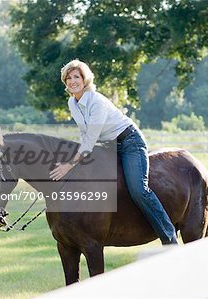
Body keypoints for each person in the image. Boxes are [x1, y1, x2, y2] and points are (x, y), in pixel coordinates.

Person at [49, 59, 178, 245]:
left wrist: (68, 165)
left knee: (138, 190)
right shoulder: (72, 103)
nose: (72, 81)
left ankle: (169, 237)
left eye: (76, 77)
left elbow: (90, 140)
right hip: (108, 146)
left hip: (130, 142)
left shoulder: (96, 102)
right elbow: (84, 135)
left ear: (85, 79)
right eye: (68, 78)